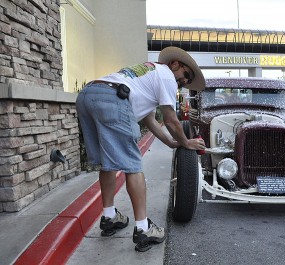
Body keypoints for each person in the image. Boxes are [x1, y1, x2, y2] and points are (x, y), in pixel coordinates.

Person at [76, 46, 206, 252]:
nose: (184, 82)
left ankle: (109, 217)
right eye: (185, 75)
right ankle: (143, 229)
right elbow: (171, 120)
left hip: (89, 94)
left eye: (188, 81)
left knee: (108, 162)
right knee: (133, 166)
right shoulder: (166, 77)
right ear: (174, 64)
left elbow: (152, 120)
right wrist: (187, 142)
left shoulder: (148, 74)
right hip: (113, 98)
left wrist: (173, 143)